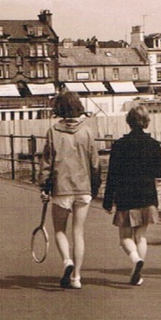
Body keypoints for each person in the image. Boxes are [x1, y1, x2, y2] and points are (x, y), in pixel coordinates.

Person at [41, 91, 101, 290]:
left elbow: (46, 163)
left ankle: (67, 261)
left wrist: (44, 187)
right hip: (83, 187)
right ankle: (76, 277)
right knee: (78, 232)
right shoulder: (88, 131)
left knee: (59, 230)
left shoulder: (53, 132)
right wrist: (95, 186)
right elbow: (95, 163)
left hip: (61, 188)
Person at [102, 105, 161, 286]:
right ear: (146, 122)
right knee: (141, 237)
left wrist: (108, 200)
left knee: (125, 238)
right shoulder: (153, 144)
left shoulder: (119, 145)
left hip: (126, 196)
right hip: (147, 196)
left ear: (129, 122)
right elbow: (158, 172)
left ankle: (135, 260)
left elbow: (112, 174)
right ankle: (137, 272)